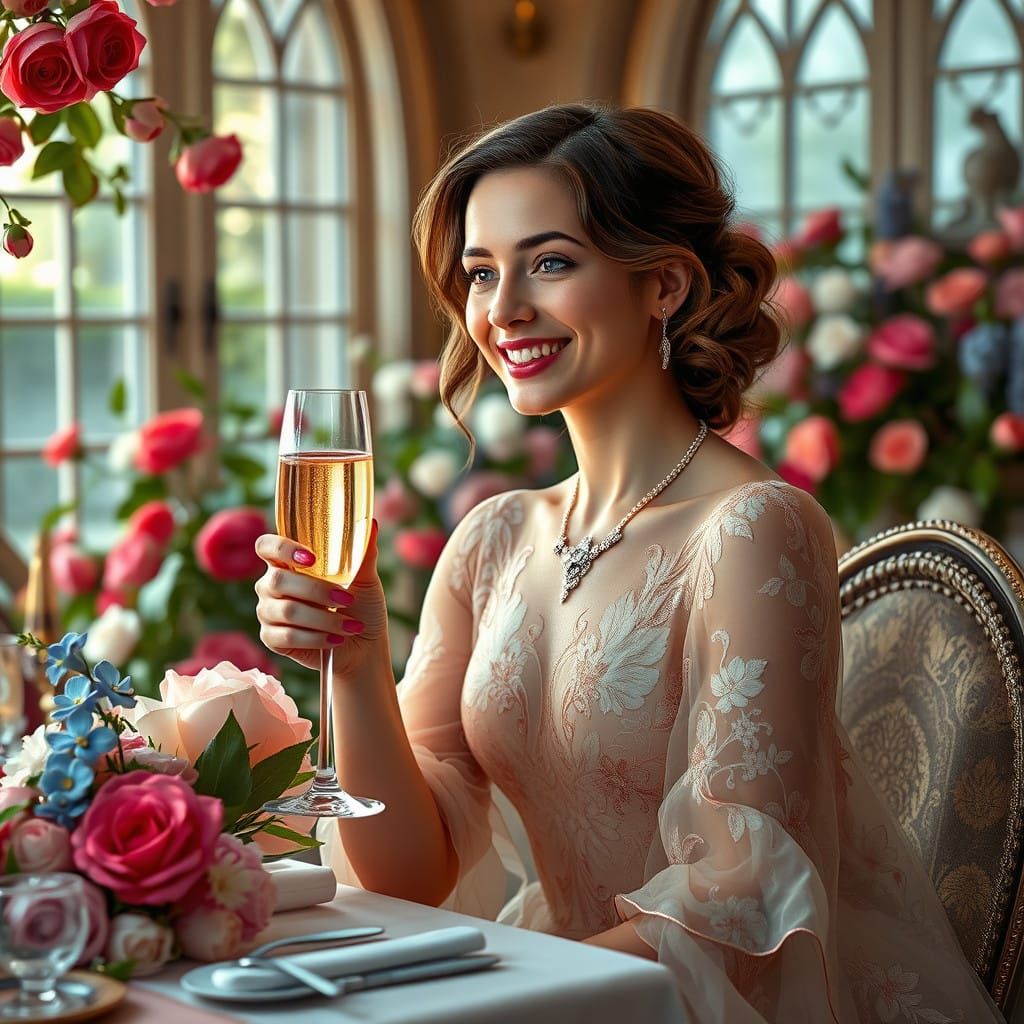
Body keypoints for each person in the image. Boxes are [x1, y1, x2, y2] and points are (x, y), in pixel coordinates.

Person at [254, 104, 1003, 1022]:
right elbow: (410, 870)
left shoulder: (754, 526)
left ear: (667, 286)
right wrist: (358, 665)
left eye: (552, 262)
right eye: (482, 273)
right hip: (552, 988)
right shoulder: (494, 539)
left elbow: (741, 895)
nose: (503, 309)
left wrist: (507, 996)